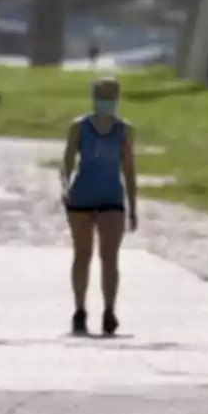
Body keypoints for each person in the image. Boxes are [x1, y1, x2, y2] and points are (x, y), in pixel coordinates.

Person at [60, 77, 138, 336]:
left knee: (110, 256)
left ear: (117, 99)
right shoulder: (80, 127)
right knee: (83, 253)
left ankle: (109, 310)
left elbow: (128, 169)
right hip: (82, 196)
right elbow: (68, 159)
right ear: (94, 98)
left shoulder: (124, 130)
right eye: (101, 96)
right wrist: (65, 185)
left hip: (112, 198)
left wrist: (133, 206)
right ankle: (80, 309)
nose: (106, 101)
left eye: (110, 96)